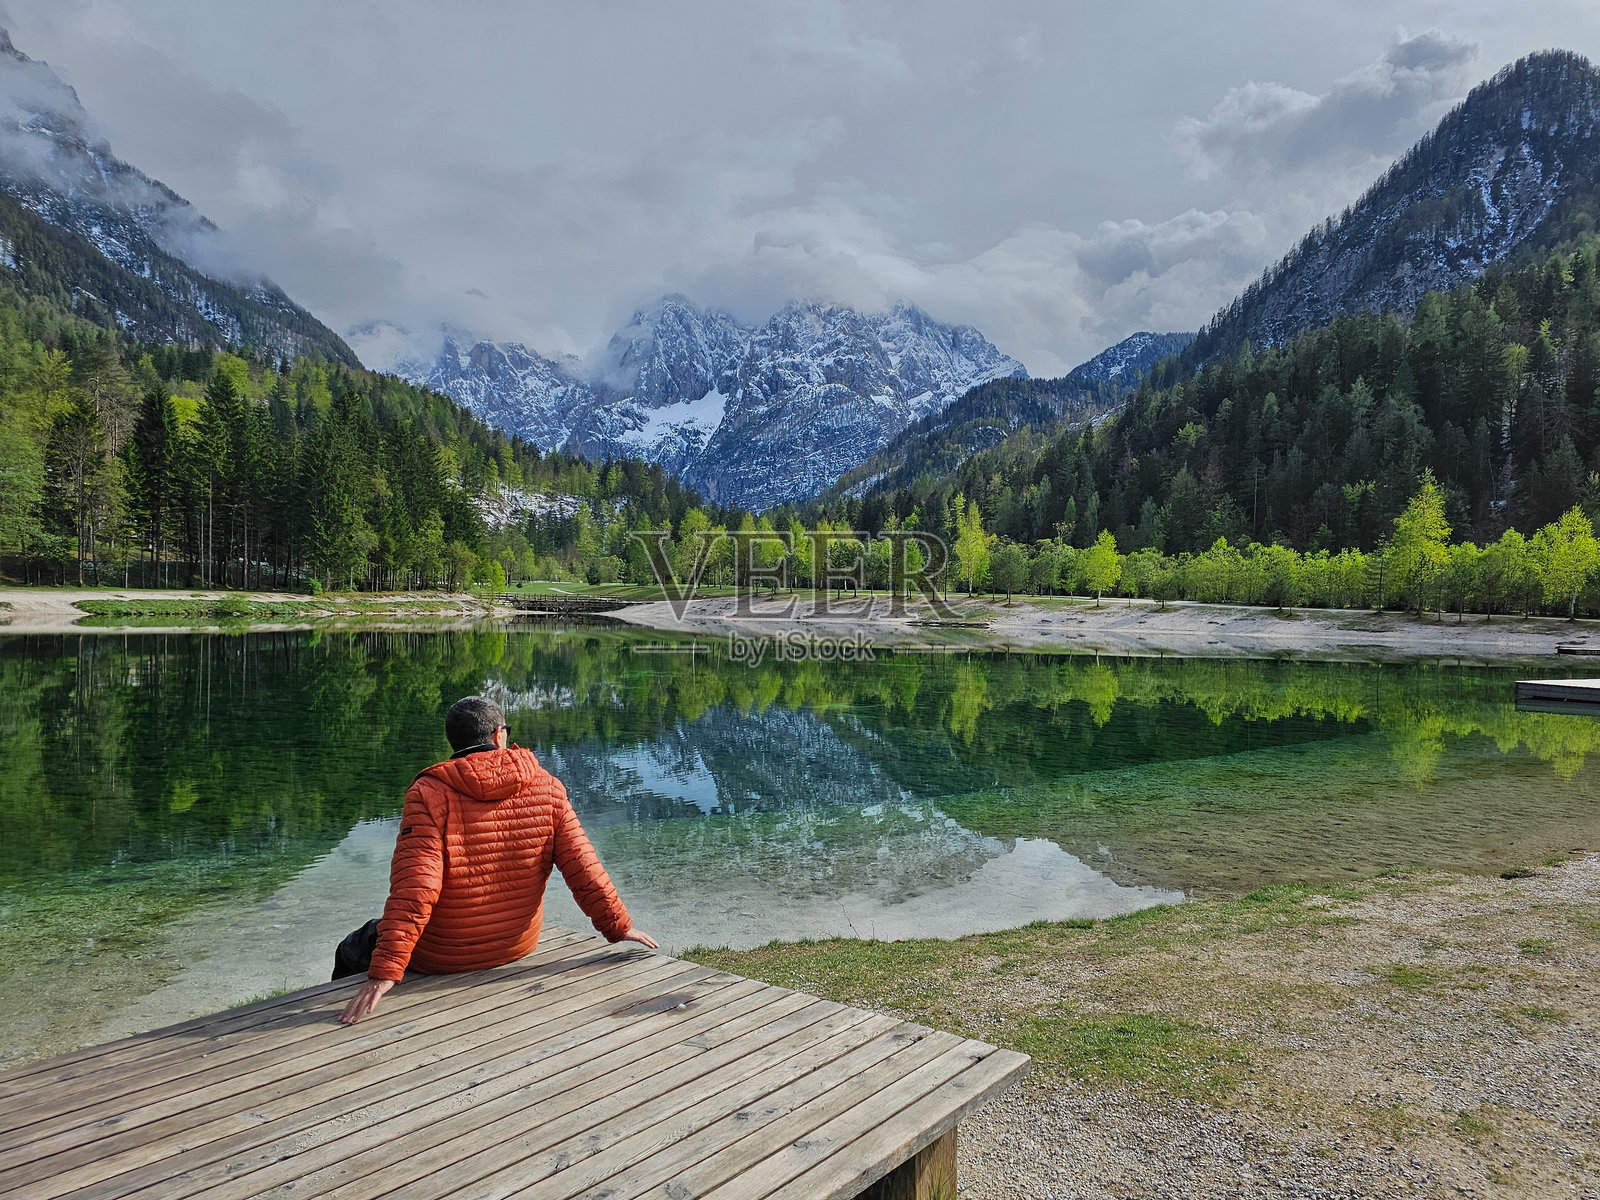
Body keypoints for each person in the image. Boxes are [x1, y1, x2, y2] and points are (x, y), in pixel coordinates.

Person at [337, 695, 658, 1024]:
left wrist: (386, 970)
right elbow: (583, 867)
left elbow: (417, 886)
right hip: (517, 946)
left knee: (352, 947)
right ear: (498, 735)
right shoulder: (548, 787)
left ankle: (344, 1026)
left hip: (442, 956)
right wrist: (620, 927)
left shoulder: (429, 793)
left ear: (454, 740)